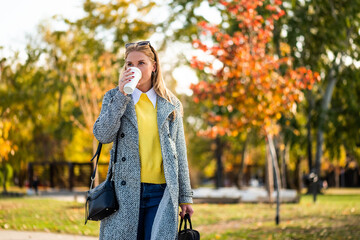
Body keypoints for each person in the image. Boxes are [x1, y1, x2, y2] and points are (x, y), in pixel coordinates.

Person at [93, 41, 194, 240]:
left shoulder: (171, 104)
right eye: (129, 64)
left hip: (162, 193)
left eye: (141, 63)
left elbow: (180, 153)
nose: (134, 69)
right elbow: (103, 135)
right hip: (124, 192)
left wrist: (186, 197)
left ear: (154, 66)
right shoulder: (113, 97)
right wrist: (122, 96)